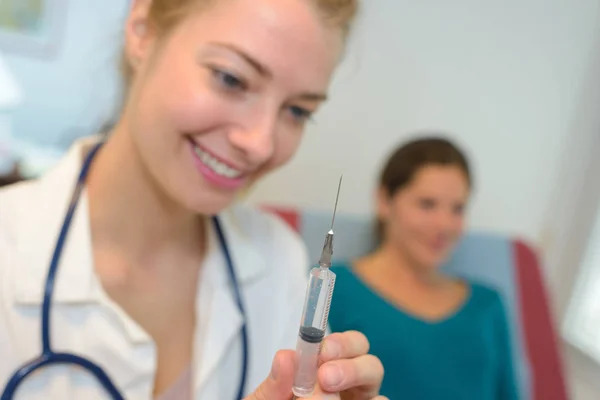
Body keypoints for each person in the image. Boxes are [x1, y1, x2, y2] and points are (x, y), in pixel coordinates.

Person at [0, 0, 386, 399]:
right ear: (142, 29)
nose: (260, 144)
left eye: (297, 111)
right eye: (231, 79)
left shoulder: (278, 263)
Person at [328, 137, 519, 400]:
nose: (444, 225)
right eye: (427, 204)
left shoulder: (488, 305)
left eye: (457, 209)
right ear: (385, 200)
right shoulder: (333, 287)